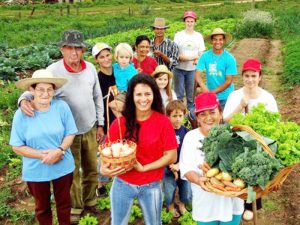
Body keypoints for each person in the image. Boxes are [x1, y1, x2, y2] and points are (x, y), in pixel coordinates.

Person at [19, 30, 105, 224]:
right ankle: (76, 206)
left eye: (78, 48)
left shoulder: (90, 68)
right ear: (62, 49)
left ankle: (90, 199)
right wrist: (23, 99)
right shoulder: (53, 71)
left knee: (91, 168)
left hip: (90, 127)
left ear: (83, 50)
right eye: (69, 48)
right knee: (72, 172)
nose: (74, 52)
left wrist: (100, 124)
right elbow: (35, 88)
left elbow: (97, 96)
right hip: (66, 133)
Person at [101, 74, 178, 225]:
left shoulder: (162, 122)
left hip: (152, 184)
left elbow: (172, 156)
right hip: (122, 183)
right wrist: (104, 170)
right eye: (139, 94)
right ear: (132, 96)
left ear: (154, 95)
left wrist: (144, 168)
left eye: (148, 94)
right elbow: (107, 155)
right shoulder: (119, 123)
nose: (143, 99)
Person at [10, 69, 78, 225]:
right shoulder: (21, 115)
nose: (45, 93)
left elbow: (70, 133)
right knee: (42, 208)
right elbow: (17, 146)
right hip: (36, 169)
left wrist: (59, 150)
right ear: (31, 90)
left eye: (49, 89)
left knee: (64, 204)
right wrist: (43, 155)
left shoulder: (61, 107)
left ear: (54, 91)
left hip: (63, 165)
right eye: (40, 89)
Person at [223, 58, 278, 221]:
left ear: (260, 77)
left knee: (255, 173)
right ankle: (237, 204)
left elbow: (274, 124)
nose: (250, 80)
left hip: (260, 143)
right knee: (236, 173)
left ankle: (251, 204)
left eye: (254, 76)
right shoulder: (235, 96)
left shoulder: (267, 98)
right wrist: (240, 106)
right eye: (247, 76)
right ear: (243, 77)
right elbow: (225, 121)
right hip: (237, 141)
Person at [179, 92, 244, 225]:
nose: (208, 118)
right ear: (197, 118)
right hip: (206, 204)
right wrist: (198, 179)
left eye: (212, 112)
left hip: (232, 201)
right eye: (202, 114)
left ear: (220, 113)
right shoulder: (191, 138)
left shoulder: (233, 133)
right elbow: (186, 168)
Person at [92, 42, 116, 197]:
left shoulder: (119, 71)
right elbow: (95, 102)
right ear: (97, 60)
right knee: (105, 153)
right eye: (102, 57)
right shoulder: (97, 78)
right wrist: (99, 125)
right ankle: (101, 183)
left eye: (108, 55)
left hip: (122, 118)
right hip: (106, 120)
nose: (106, 59)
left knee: (121, 150)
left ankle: (120, 178)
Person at [173, 11, 206, 123]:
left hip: (192, 70)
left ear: (195, 22)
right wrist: (193, 57)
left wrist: (197, 58)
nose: (190, 23)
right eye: (187, 21)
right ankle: (180, 115)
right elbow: (176, 54)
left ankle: (191, 116)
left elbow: (201, 53)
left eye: (192, 21)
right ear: (184, 22)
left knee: (191, 95)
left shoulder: (198, 36)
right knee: (179, 94)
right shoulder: (178, 35)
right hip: (179, 69)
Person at [195, 28, 237, 109]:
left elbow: (228, 81)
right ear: (211, 41)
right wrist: (203, 87)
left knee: (224, 119)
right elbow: (197, 75)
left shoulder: (229, 58)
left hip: (226, 96)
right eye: (215, 39)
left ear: (224, 41)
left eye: (220, 39)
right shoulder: (205, 56)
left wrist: (212, 93)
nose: (218, 42)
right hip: (210, 94)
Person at [163, 100, 191, 218]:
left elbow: (189, 152)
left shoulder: (187, 133)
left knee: (186, 191)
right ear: (168, 116)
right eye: (174, 116)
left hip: (183, 167)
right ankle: (170, 206)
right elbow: (163, 153)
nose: (178, 119)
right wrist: (172, 167)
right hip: (168, 168)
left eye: (180, 116)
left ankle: (182, 204)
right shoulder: (164, 132)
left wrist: (179, 165)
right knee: (169, 191)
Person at [109, 42, 138, 117]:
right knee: (112, 105)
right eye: (121, 57)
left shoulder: (131, 70)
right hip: (116, 91)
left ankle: (123, 119)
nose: (124, 60)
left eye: (126, 57)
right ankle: (123, 119)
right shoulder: (115, 67)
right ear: (117, 57)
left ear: (130, 58)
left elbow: (134, 86)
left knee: (113, 105)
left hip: (126, 92)